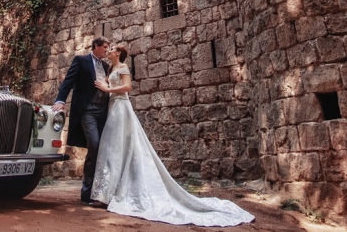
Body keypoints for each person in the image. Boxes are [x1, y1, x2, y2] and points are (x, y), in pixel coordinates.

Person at [91, 45, 255, 226]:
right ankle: (105, 193)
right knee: (111, 148)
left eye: (112, 48)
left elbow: (128, 87)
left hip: (122, 108)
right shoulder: (110, 68)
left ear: (119, 53)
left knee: (119, 146)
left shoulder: (122, 67)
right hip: (112, 108)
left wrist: (107, 90)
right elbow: (106, 84)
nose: (109, 50)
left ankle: (114, 193)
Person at [53, 36, 111, 205]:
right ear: (96, 46)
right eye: (105, 47)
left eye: (108, 48)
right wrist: (60, 100)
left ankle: (91, 192)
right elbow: (69, 81)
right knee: (93, 143)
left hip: (103, 112)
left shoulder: (106, 66)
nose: (107, 50)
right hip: (88, 111)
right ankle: (88, 189)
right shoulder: (81, 60)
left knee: (99, 148)